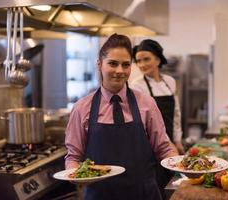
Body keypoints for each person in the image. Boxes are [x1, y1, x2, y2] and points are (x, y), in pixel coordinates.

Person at [64, 33, 178, 200]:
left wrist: (184, 166)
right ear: (99, 64)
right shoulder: (82, 108)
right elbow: (73, 156)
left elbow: (163, 148)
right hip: (99, 195)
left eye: (126, 65)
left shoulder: (147, 103)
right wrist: (75, 175)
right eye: (113, 64)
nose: (120, 71)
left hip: (144, 194)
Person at [130, 39, 184, 200]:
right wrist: (167, 142)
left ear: (158, 59)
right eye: (138, 60)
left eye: (146, 59)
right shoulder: (136, 86)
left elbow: (176, 113)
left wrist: (178, 139)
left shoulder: (170, 81)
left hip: (171, 142)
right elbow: (146, 123)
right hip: (151, 145)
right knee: (157, 185)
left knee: (173, 183)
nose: (142, 64)